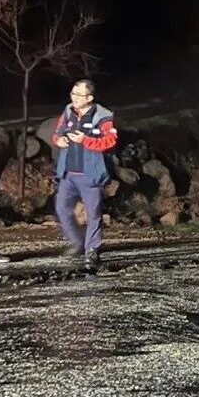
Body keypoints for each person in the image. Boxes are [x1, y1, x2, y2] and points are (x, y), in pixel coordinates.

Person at [51, 79, 117, 271]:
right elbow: (57, 133)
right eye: (72, 94)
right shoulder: (68, 110)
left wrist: (85, 140)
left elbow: (110, 141)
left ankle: (92, 250)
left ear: (89, 98)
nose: (74, 98)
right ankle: (76, 242)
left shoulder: (103, 116)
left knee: (94, 214)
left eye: (78, 95)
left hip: (90, 174)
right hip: (68, 173)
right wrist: (59, 140)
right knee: (62, 208)